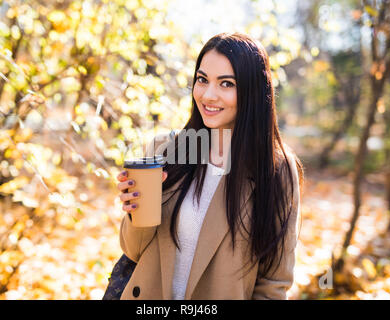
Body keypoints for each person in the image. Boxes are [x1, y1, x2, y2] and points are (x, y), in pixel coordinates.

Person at [115, 32, 304, 300]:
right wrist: (137, 208)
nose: (208, 95)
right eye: (202, 80)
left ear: (251, 91)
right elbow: (133, 251)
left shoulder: (275, 170)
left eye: (226, 84)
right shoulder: (166, 150)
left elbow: (274, 282)